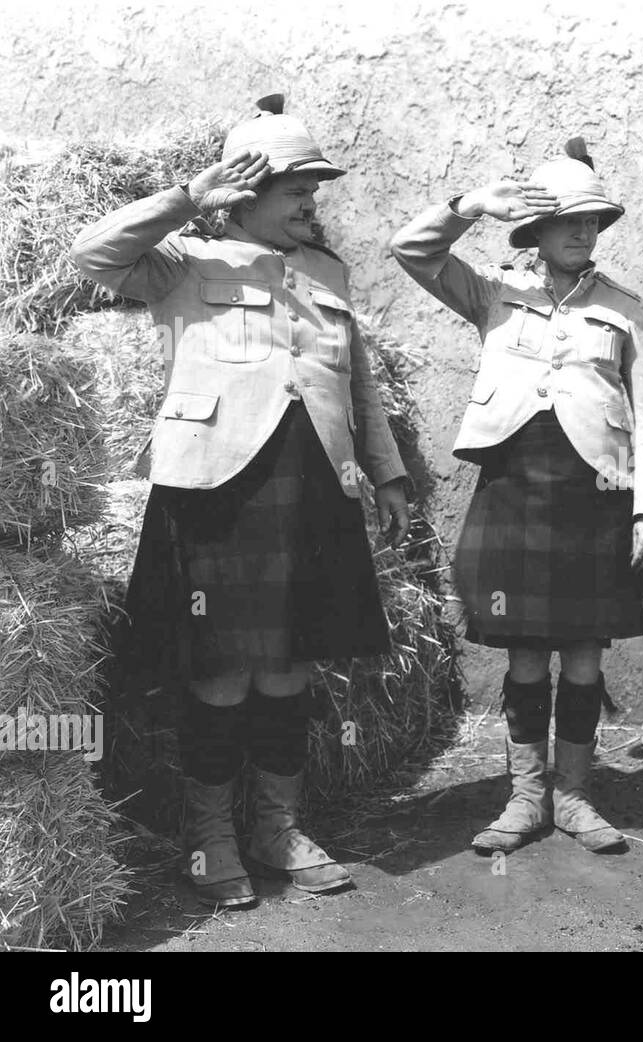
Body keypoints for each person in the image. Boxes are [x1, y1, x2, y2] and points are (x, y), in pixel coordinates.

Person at [71, 95, 410, 909]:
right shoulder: (182, 260)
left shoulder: (329, 273)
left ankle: (276, 829)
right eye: (297, 189)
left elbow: (357, 380)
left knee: (289, 665)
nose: (311, 203)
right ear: (246, 194)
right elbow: (90, 255)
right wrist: (192, 195)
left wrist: (387, 470)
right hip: (218, 486)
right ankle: (212, 839)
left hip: (312, 488)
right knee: (220, 673)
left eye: (314, 190)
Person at [389, 139, 643, 854]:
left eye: (594, 221)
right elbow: (411, 251)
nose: (584, 232)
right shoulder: (492, 292)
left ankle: (575, 798)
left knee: (582, 657)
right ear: (535, 232)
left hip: (596, 493)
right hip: (514, 488)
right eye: (570, 221)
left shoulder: (625, 309)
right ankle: (525, 798)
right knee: (522, 657)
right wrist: (470, 205)